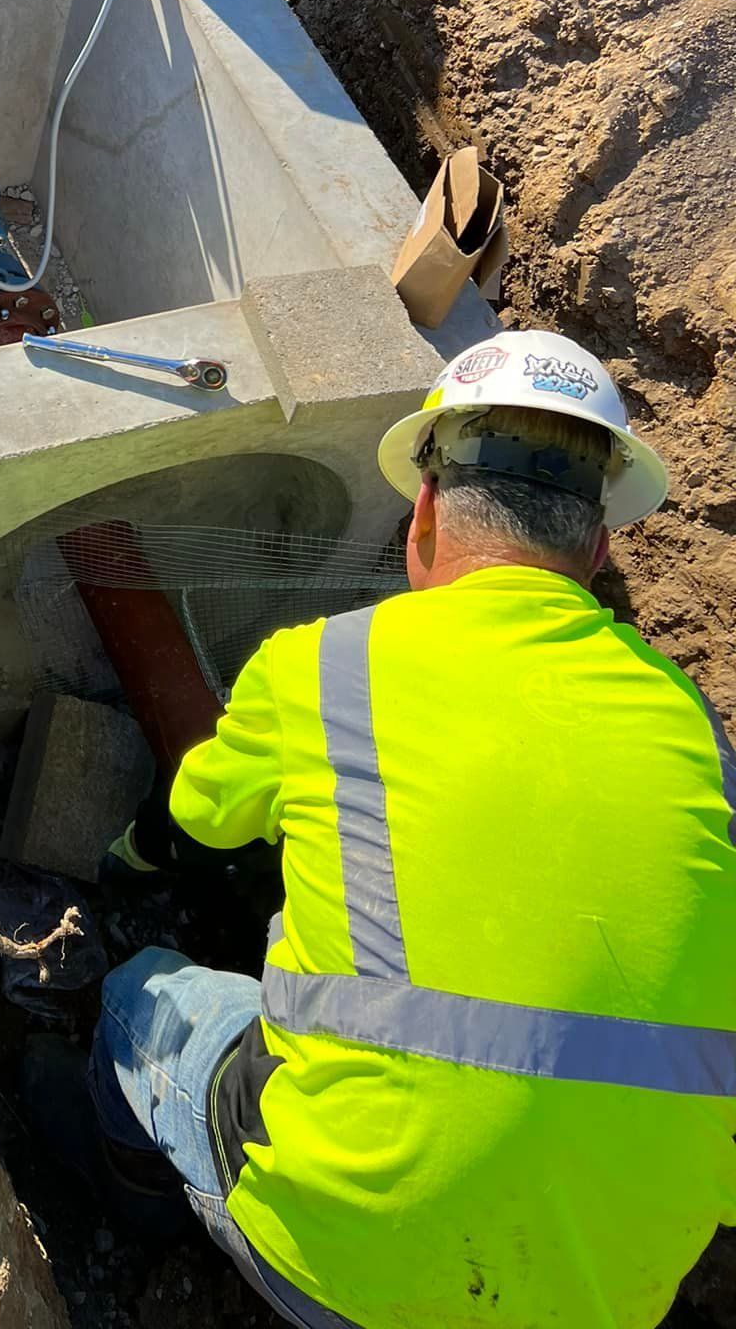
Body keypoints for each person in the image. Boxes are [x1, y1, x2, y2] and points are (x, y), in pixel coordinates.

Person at [83, 329, 736, 1328]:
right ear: (598, 550)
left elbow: (200, 817)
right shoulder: (696, 727)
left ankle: (131, 1209)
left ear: (421, 510)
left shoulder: (326, 665)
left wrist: (129, 862)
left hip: (352, 1258)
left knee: (135, 998)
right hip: (619, 1285)